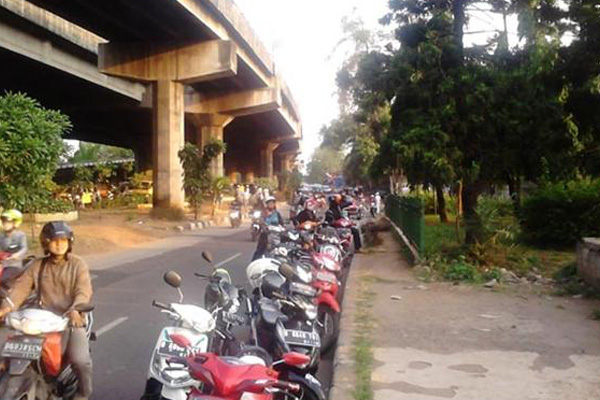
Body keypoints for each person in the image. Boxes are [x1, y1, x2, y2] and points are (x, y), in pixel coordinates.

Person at [0, 221, 93, 400]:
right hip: (42, 319)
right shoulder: (38, 265)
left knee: (80, 360)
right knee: (5, 349)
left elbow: (83, 290)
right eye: (55, 240)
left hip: (71, 318)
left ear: (70, 242)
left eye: (64, 240)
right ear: (46, 243)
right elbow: (21, 288)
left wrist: (75, 309)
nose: (59, 244)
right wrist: (6, 308)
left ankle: (83, 393)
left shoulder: (78, 264)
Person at [0, 209, 28, 283]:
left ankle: (8, 294)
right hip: (3, 264)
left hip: (14, 265)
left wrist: (17, 254)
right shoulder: (1, 236)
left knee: (3, 279)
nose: (5, 224)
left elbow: (24, 248)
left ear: (15, 223)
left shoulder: (20, 235)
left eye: (8, 222)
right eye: (4, 222)